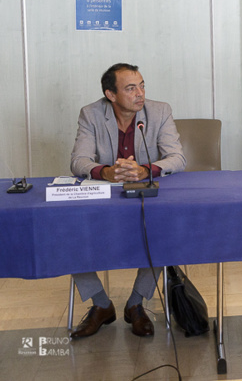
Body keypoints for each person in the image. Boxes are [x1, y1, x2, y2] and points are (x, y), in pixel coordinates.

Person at [69, 63, 186, 338]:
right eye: (131, 88)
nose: (140, 93)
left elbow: (177, 158)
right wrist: (106, 172)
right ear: (111, 94)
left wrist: (146, 170)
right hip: (105, 196)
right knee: (68, 232)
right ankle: (101, 304)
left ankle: (136, 303)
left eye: (142, 85)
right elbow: (78, 161)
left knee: (162, 232)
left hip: (145, 192)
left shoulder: (159, 111)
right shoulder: (91, 114)